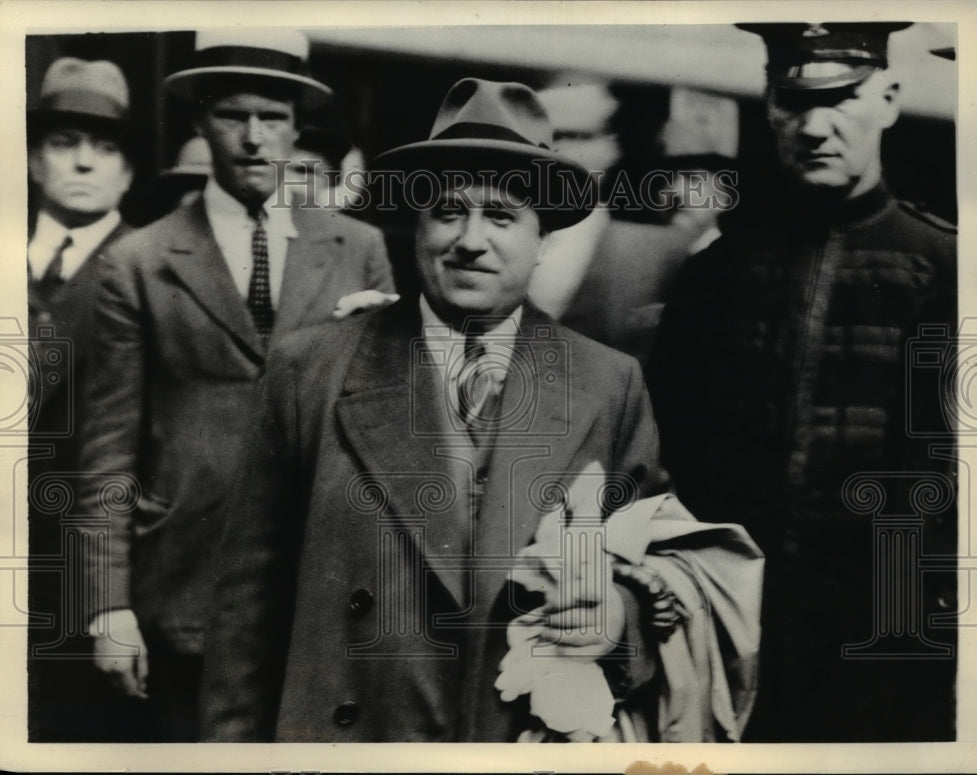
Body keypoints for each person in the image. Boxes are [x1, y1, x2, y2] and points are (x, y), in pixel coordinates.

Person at [199, 79, 763, 743]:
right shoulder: (311, 369)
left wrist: (618, 615)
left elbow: (653, 556)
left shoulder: (607, 383)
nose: (470, 240)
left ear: (541, 236)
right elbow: (245, 616)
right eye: (448, 212)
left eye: (501, 216)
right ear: (417, 223)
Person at [75, 29, 395, 742]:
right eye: (232, 116)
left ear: (295, 127)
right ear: (199, 121)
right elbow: (107, 447)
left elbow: (391, 427)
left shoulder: (357, 246)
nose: (254, 139)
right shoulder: (138, 261)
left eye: (274, 119)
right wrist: (108, 605)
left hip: (328, 578)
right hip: (188, 585)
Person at [649, 22, 957, 742]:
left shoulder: (948, 268)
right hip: (731, 634)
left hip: (889, 648)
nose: (815, 126)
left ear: (888, 97)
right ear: (769, 105)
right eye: (793, 102)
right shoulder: (714, 276)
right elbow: (666, 462)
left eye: (843, 99)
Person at [26, 56, 138, 743]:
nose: (85, 162)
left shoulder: (152, 266)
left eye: (106, 146)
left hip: (88, 576)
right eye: (65, 142)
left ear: (128, 171)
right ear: (34, 159)